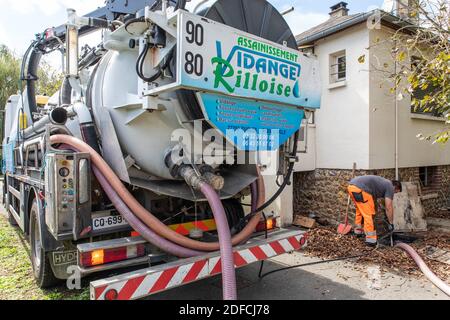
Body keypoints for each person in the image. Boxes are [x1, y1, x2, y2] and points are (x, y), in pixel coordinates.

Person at [347, 175, 402, 247]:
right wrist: (391, 223)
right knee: (368, 215)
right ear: (395, 187)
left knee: (359, 211)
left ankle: (358, 232)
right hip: (361, 189)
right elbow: (388, 207)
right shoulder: (390, 187)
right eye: (396, 192)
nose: (393, 194)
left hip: (351, 187)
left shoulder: (384, 182)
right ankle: (371, 240)